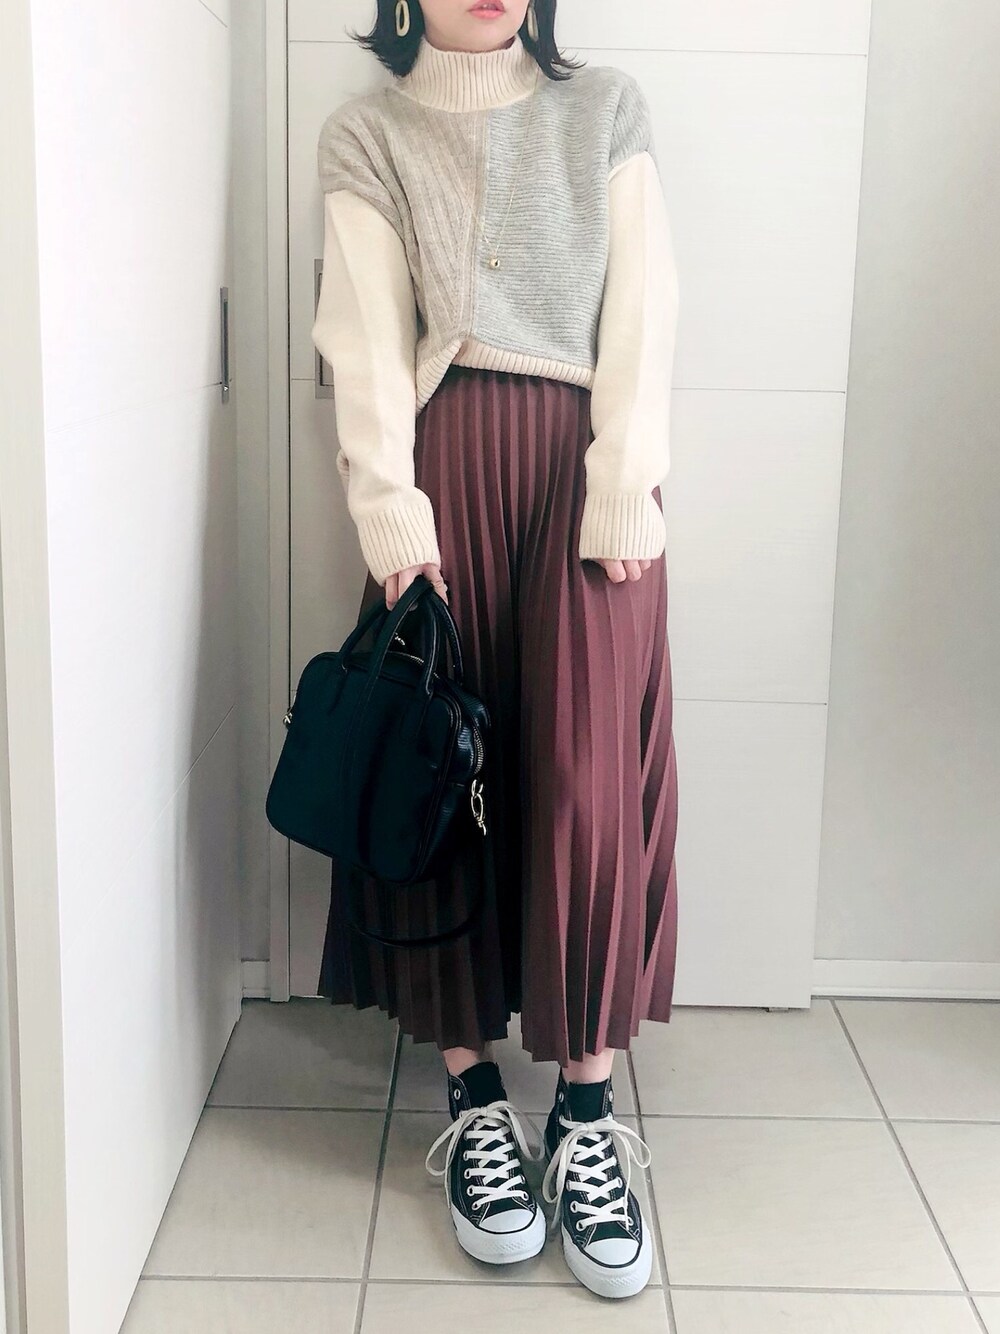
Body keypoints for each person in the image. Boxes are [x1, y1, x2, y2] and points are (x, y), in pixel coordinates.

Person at [310, 0, 679, 1301]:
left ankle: (584, 1111)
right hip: (443, 478)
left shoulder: (604, 108)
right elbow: (362, 342)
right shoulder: (369, 133)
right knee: (439, 781)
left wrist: (624, 480)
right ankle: (472, 1095)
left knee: (586, 788)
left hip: (586, 489)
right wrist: (391, 521)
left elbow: (644, 307)